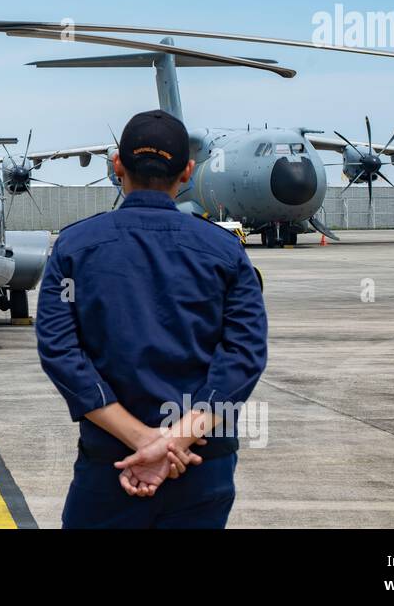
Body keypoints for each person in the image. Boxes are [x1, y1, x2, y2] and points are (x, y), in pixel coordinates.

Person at [36, 109, 267, 529]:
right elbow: (244, 353)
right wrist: (175, 440)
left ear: (117, 165)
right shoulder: (225, 251)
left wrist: (142, 442)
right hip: (199, 463)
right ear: (188, 172)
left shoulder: (74, 247)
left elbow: (60, 352)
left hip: (113, 461)